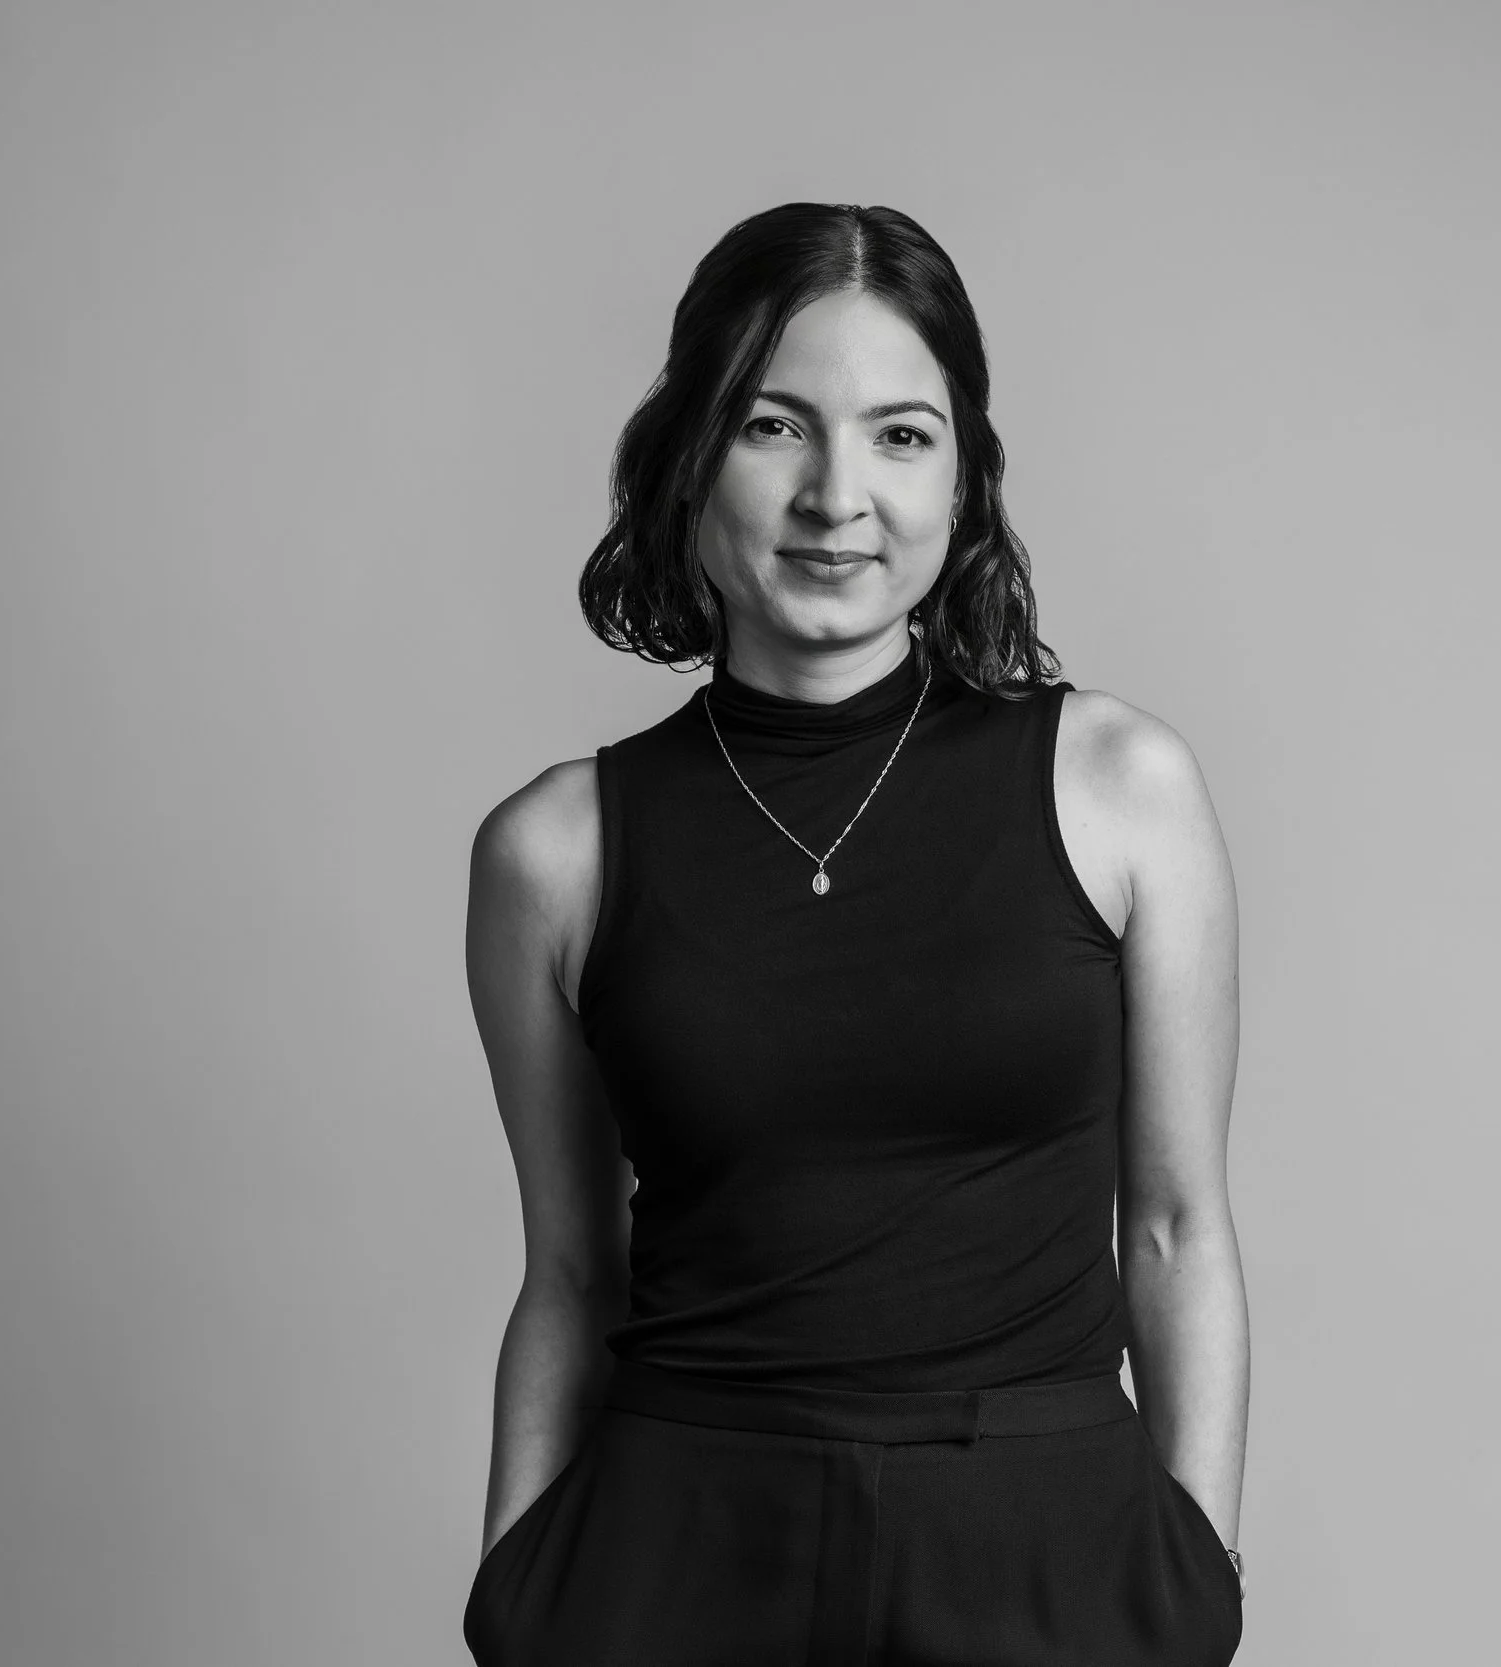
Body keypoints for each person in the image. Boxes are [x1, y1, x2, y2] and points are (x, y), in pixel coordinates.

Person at [461, 201, 1247, 1666]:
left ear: (965, 476)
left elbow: (1176, 1224)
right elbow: (571, 1274)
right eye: (774, 426)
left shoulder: (1123, 789)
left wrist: (1192, 1574)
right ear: (688, 455)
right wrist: (513, 1597)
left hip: (1051, 1560)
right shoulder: (554, 853)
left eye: (900, 433)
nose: (838, 495)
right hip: (680, 1560)